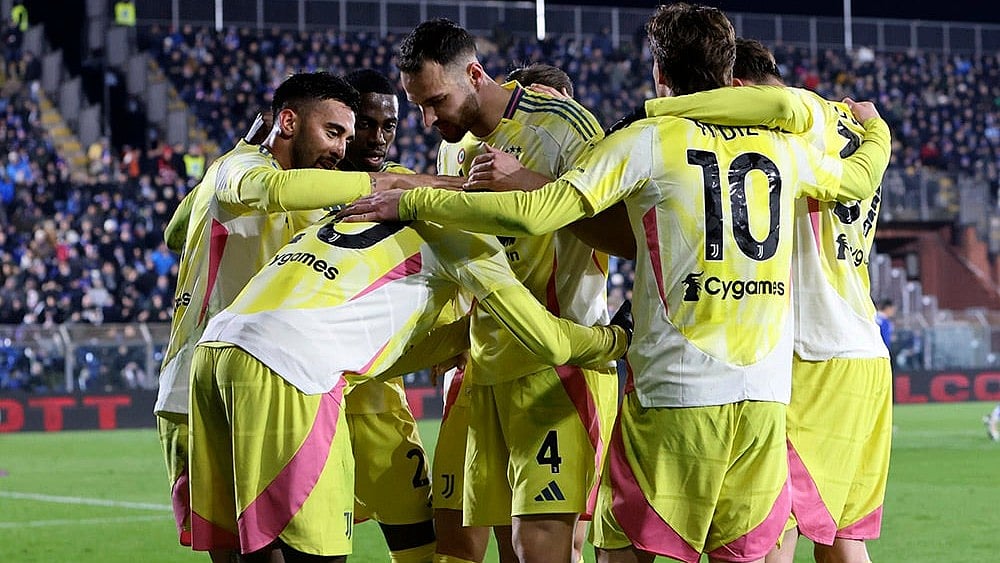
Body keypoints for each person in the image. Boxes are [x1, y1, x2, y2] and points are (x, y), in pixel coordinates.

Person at [339, 3, 892, 561]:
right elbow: (860, 177)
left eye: (435, 102)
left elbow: (554, 215)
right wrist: (877, 129)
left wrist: (413, 196)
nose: (430, 119)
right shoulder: (787, 147)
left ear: (659, 73)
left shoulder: (646, 139)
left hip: (655, 383)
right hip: (763, 394)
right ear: (730, 73)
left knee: (617, 548)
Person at [187, 212, 633, 562]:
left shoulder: (351, 213)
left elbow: (386, 356)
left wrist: (465, 334)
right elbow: (549, 340)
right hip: (293, 365)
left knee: (248, 546)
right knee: (312, 552)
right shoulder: (468, 239)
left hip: (215, 349)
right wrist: (618, 338)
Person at [153, 71, 461, 561]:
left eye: (383, 127)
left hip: (275, 377)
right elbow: (193, 223)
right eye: (344, 129)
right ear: (292, 123)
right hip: (236, 373)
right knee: (259, 549)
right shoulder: (248, 171)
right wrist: (398, 183)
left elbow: (175, 230)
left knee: (268, 547)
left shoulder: (319, 188)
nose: (363, 140)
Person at [396, 18, 618, 563]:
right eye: (418, 106)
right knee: (498, 549)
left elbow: (620, 230)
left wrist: (524, 183)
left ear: (474, 74)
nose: (428, 120)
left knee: (542, 547)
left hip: (557, 367)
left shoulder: (561, 125)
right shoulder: (454, 150)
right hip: (483, 368)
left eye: (436, 102)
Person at [724, 37, 892, 563]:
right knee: (843, 538)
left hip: (811, 355)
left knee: (774, 524)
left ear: (738, 90)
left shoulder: (792, 117)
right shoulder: (854, 128)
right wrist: (881, 126)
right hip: (864, 352)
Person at [337, 68, 436, 563]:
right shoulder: (298, 186)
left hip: (381, 400)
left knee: (421, 550)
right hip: (319, 410)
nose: (378, 137)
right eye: (367, 124)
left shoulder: (399, 190)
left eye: (389, 126)